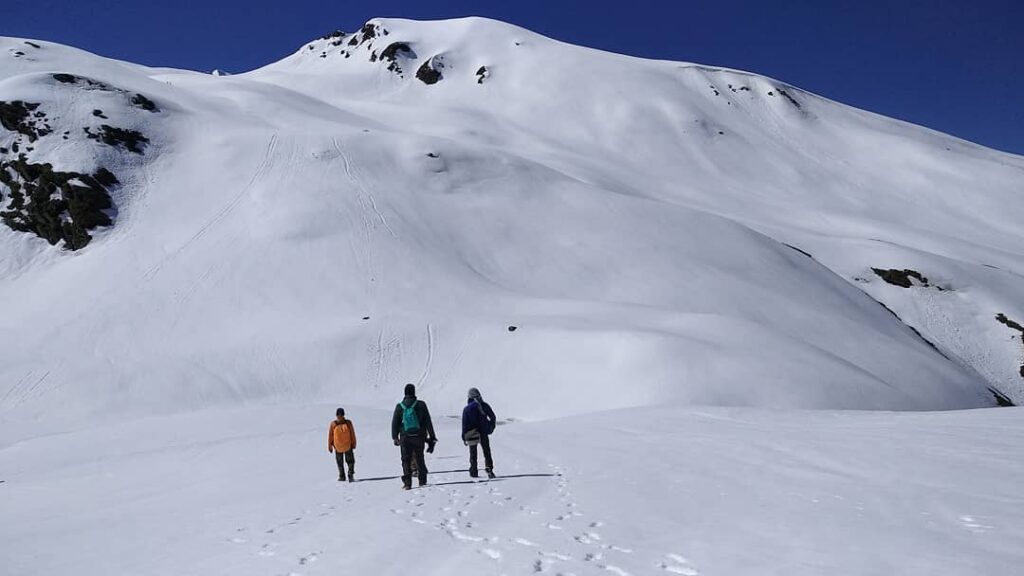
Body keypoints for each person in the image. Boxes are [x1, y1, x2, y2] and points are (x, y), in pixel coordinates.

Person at [391, 383, 437, 490]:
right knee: (419, 457)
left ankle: (407, 483)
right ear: (414, 392)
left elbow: (395, 423)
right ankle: (422, 480)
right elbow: (428, 422)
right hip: (419, 436)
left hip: (405, 437)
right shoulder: (421, 405)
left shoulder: (400, 406)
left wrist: (395, 437)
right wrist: (432, 436)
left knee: (405, 460)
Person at [462, 387, 497, 479]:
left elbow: (464, 424)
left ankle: (473, 471)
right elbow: (493, 417)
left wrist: (464, 436)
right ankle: (489, 469)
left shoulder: (467, 409)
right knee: (486, 451)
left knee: (473, 453)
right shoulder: (484, 405)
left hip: (472, 433)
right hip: (483, 432)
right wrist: (490, 427)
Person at [328, 407, 357, 482]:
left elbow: (330, 435)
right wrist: (354, 443)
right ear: (344, 415)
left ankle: (342, 476)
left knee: (339, 462)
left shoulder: (333, 424)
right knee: (350, 461)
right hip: (348, 446)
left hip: (338, 447)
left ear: (336, 415)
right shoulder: (348, 423)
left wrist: (330, 446)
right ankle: (350, 475)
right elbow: (352, 434)